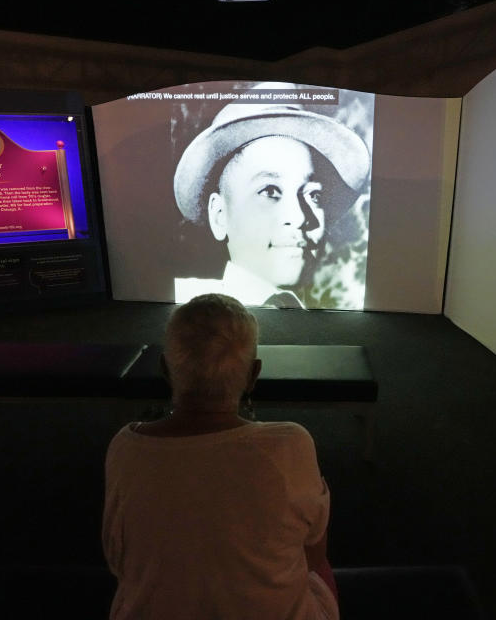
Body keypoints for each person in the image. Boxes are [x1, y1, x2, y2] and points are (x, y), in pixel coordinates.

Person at [102, 294, 339, 620]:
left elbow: (118, 561)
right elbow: (313, 557)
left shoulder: (125, 448)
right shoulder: (291, 445)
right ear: (253, 375)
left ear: (165, 371)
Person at [173, 83, 372, 309]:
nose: (299, 217)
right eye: (270, 191)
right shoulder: (185, 308)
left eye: (313, 195)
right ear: (219, 215)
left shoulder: (332, 322)